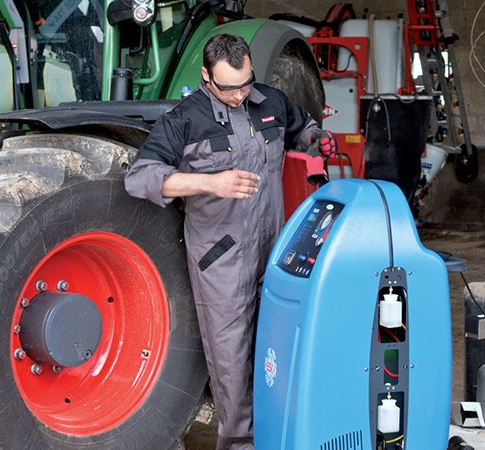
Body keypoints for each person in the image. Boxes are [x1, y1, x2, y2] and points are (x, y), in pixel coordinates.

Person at [124, 33, 336, 449]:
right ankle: (240, 444)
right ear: (206, 76)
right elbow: (140, 177)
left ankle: (282, 436)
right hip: (221, 260)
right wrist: (208, 181)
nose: (239, 95)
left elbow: (302, 127)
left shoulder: (270, 101)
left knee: (279, 349)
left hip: (273, 251)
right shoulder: (184, 118)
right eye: (228, 88)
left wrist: (315, 140)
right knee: (233, 362)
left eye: (245, 83)